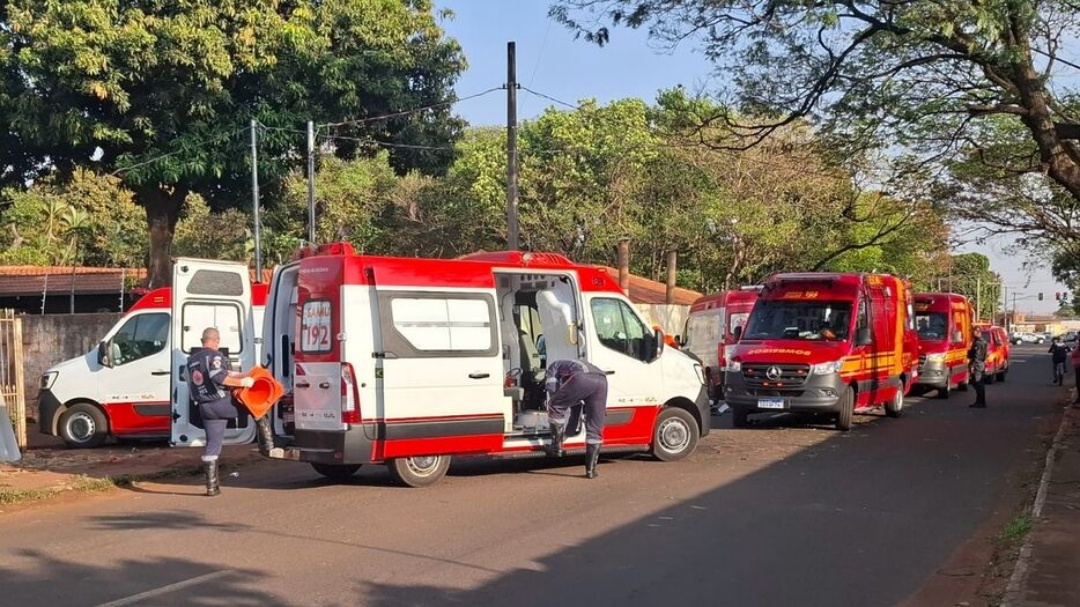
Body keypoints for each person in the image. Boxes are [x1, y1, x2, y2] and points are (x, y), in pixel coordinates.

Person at [186, 327, 253, 496]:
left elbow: (222, 373)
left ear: (203, 340)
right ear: (216, 340)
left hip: (205, 408)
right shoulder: (216, 355)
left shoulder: (192, 360)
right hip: (221, 403)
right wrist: (244, 382)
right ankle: (268, 442)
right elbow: (218, 376)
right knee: (256, 406)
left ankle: (211, 487)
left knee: (212, 445)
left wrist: (240, 374)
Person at [544, 359, 609, 479]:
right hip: (602, 381)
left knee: (554, 405)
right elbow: (575, 410)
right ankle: (590, 471)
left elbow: (552, 389)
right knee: (595, 426)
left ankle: (556, 447)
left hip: (583, 378)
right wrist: (568, 433)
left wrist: (555, 398)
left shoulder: (553, 366)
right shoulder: (572, 367)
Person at [968, 329, 989, 408]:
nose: (973, 333)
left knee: (978, 383)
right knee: (977, 383)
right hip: (981, 364)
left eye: (974, 332)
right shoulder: (983, 341)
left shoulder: (978, 343)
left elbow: (977, 355)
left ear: (978, 332)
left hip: (978, 364)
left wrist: (973, 365)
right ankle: (979, 401)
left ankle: (980, 402)